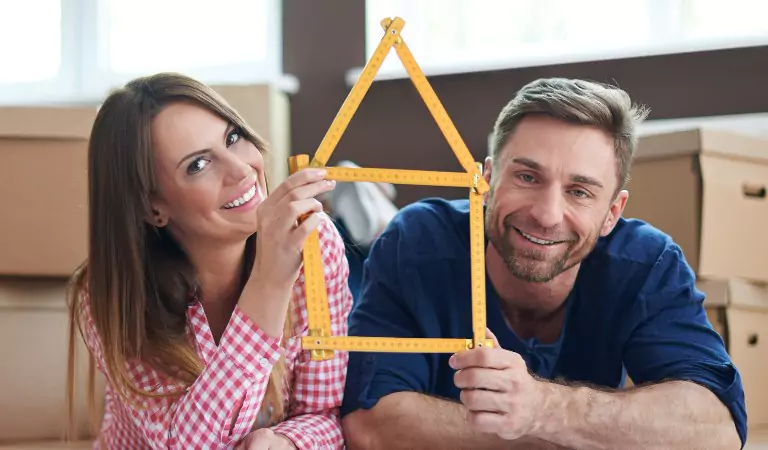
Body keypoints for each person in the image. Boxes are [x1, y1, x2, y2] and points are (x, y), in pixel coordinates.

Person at [340, 77, 746, 449]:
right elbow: (369, 426)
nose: (547, 214)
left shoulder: (647, 264)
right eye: (528, 178)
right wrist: (563, 434)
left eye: (580, 191)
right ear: (487, 179)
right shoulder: (417, 241)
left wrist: (541, 408)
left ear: (612, 213)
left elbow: (717, 429)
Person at [64, 72, 353, 449]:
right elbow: (187, 445)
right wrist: (270, 282)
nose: (241, 169)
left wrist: (284, 443)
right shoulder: (112, 294)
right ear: (154, 208)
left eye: (233, 138)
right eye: (198, 165)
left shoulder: (315, 245)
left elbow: (324, 415)